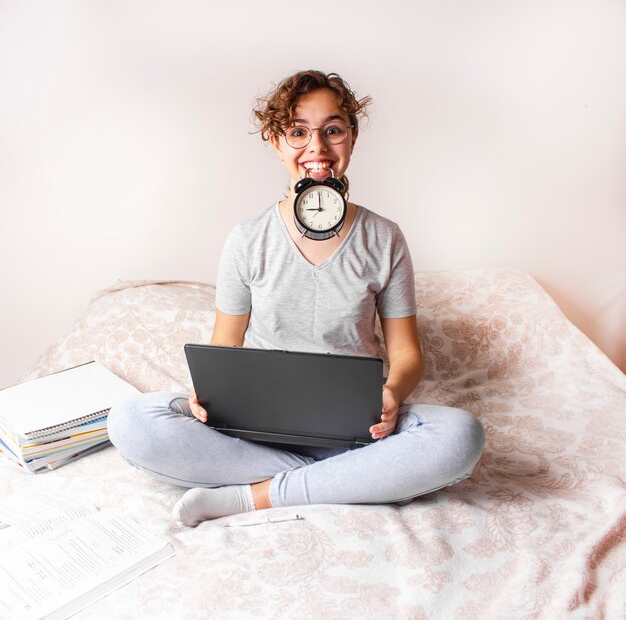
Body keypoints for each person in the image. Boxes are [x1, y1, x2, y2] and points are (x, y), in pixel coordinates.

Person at [107, 70, 485, 527]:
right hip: (256, 434)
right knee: (131, 420)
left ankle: (253, 496)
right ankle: (349, 482)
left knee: (461, 435)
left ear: (352, 136)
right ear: (275, 142)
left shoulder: (384, 237)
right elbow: (225, 345)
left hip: (357, 430)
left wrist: (392, 393)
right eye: (298, 132)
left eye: (332, 130)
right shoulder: (248, 238)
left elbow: (406, 354)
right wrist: (207, 396)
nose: (317, 148)